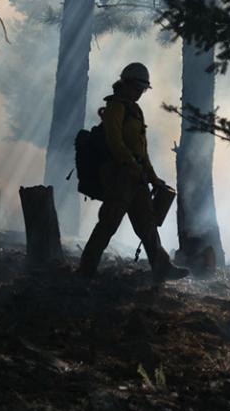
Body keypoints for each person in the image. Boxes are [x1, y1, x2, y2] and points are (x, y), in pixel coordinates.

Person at [78, 62, 188, 281]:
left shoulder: (135, 111)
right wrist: (131, 166)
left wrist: (153, 179)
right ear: (124, 84)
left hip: (135, 176)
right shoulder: (115, 107)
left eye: (142, 89)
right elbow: (114, 141)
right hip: (118, 175)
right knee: (109, 221)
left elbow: (142, 150)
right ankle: (86, 269)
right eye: (136, 88)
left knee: (146, 223)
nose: (139, 92)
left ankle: (161, 266)